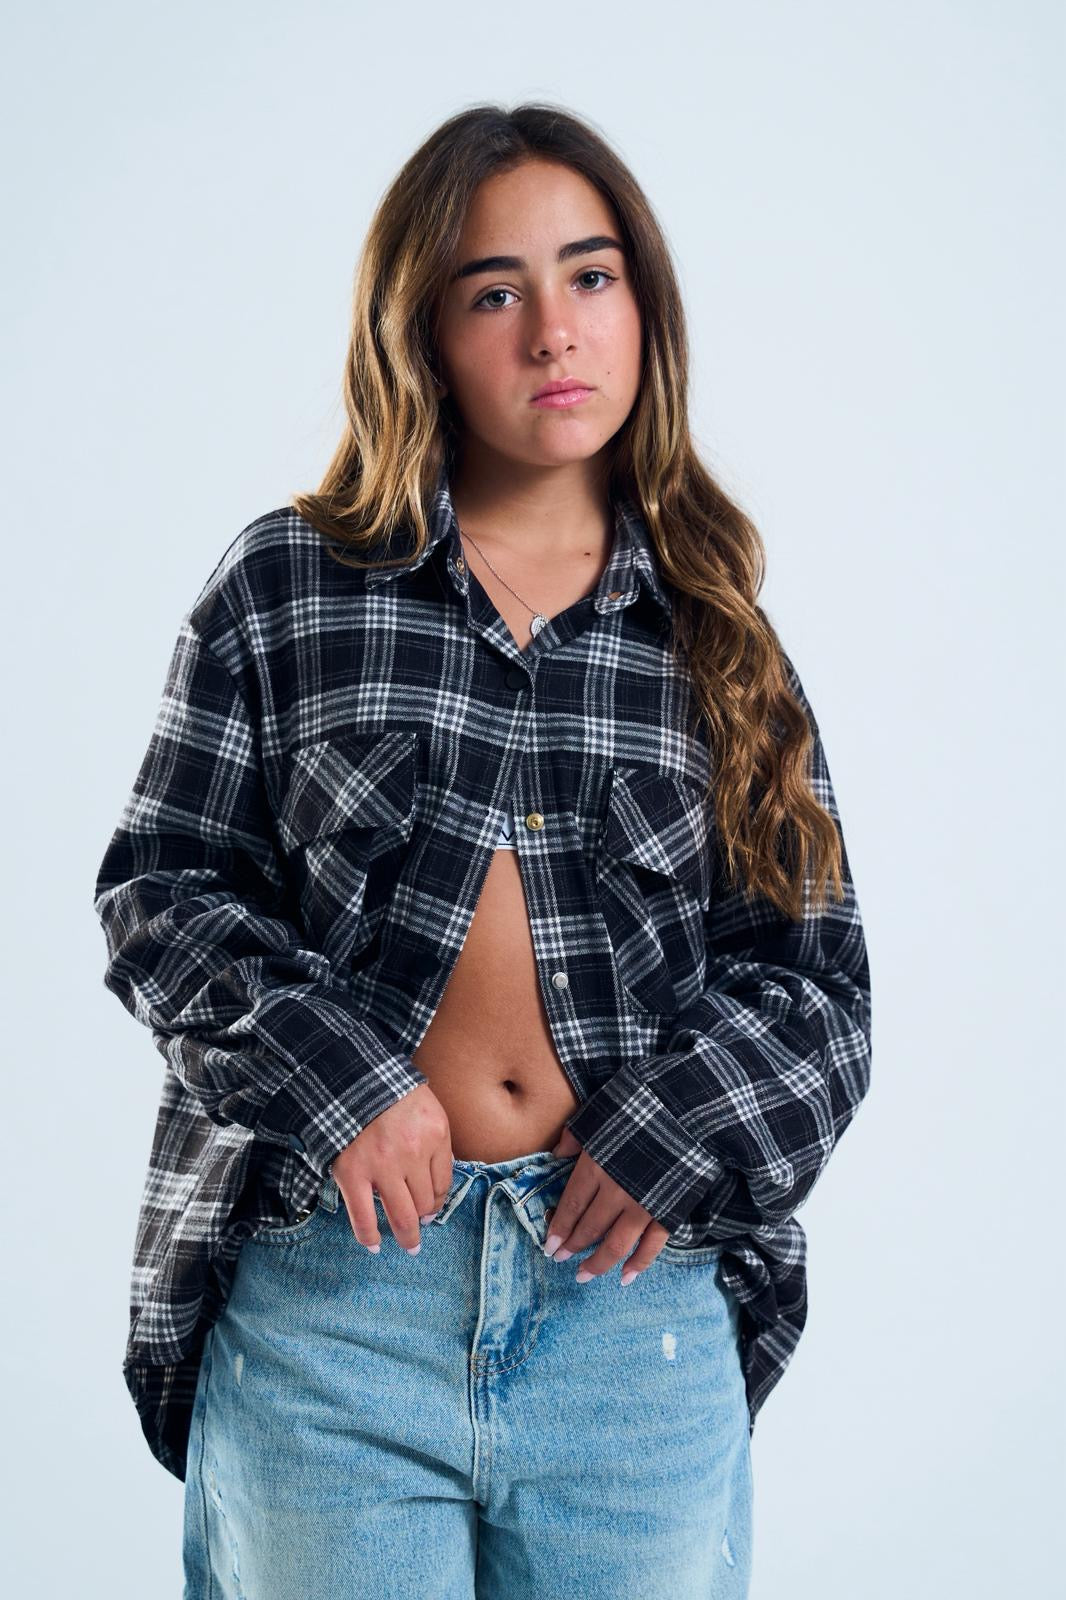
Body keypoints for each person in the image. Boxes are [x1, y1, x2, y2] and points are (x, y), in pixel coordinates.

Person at [93, 102, 872, 1600]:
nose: (552, 332)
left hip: (630, 1320)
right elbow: (161, 893)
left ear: (644, 308)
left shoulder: (720, 640)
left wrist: (674, 1131)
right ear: (425, 337)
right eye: (493, 292)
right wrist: (341, 1079)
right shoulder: (290, 586)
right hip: (338, 1305)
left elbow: (819, 986)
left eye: (590, 277)